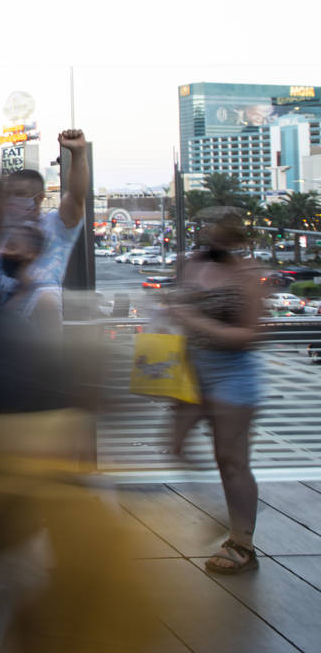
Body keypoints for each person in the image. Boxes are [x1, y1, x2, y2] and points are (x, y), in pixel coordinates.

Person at [167, 211, 265, 575]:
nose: (209, 237)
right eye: (205, 229)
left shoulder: (247, 275)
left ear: (235, 238)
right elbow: (175, 308)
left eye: (218, 233)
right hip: (191, 374)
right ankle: (219, 513)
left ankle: (242, 542)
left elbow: (250, 335)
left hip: (233, 375)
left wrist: (196, 321)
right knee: (175, 444)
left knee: (232, 460)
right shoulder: (191, 264)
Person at [0, 129, 89, 312]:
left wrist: (78, 154)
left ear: (39, 197)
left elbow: (76, 196)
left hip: (39, 333)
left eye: (20, 194)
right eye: (10, 194)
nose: (13, 199)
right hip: (0, 330)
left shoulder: (56, 226)